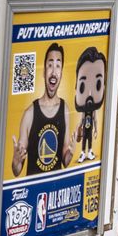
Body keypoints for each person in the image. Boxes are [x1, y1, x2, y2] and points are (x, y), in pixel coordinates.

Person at [12, 42, 73, 175]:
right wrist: (16, 161)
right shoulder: (29, 113)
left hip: (55, 186)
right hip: (33, 186)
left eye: (58, 66)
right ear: (44, 72)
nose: (54, 71)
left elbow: (65, 161)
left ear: (61, 73)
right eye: (50, 65)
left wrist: (70, 153)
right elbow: (16, 171)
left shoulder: (65, 110)